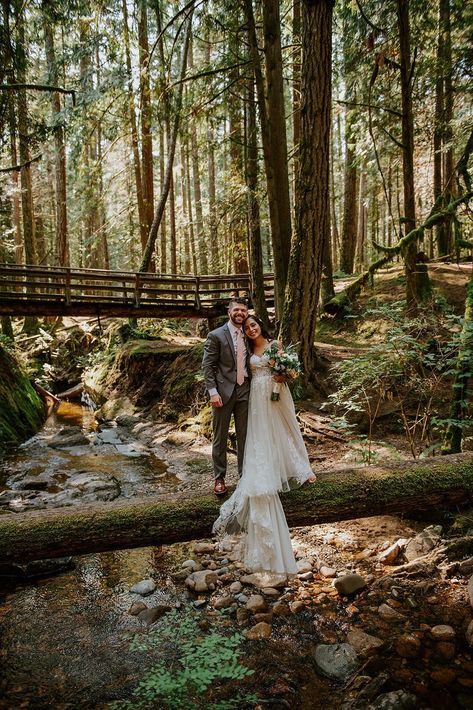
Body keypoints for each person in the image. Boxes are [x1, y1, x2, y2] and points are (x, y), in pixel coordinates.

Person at [213, 314, 316, 575]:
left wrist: (284, 376)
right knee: (260, 435)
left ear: (260, 325)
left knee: (284, 428)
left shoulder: (275, 344)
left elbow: (289, 371)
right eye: (247, 327)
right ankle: (267, 468)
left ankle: (302, 468)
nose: (251, 328)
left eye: (254, 324)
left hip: (274, 392)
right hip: (255, 397)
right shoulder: (248, 349)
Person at [202, 298, 251, 496]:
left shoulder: (249, 333)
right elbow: (208, 365)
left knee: (245, 436)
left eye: (244, 310)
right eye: (237, 310)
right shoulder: (216, 335)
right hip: (222, 392)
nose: (240, 313)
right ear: (230, 312)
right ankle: (219, 478)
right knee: (220, 436)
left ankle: (244, 476)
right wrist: (212, 392)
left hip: (245, 390)